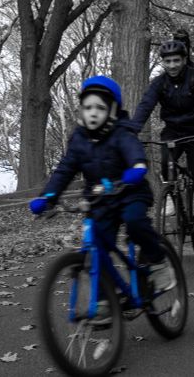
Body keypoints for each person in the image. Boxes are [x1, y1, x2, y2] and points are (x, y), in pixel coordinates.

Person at [28, 75, 176, 296]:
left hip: (130, 193)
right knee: (98, 247)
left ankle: (157, 261)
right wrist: (48, 197)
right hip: (100, 201)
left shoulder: (122, 132)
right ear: (81, 111)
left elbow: (135, 154)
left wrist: (136, 168)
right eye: (88, 107)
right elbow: (65, 170)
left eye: (100, 107)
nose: (93, 112)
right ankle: (105, 300)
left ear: (112, 110)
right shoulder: (78, 139)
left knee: (135, 222)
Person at [132, 39, 194, 255]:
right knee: (165, 158)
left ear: (183, 60)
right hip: (173, 130)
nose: (172, 65)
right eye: (167, 61)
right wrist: (132, 128)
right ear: (162, 63)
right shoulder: (159, 83)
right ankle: (171, 194)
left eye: (176, 60)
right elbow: (146, 104)